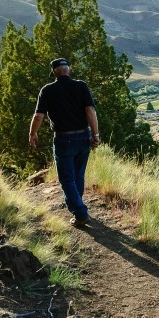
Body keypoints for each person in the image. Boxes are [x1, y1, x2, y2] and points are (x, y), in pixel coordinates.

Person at [29, 57, 101, 227]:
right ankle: (78, 205)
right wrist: (95, 134)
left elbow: (39, 116)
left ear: (54, 72)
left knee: (67, 179)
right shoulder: (81, 86)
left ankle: (80, 213)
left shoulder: (47, 90)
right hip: (83, 136)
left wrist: (32, 133)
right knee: (78, 175)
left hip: (63, 139)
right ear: (68, 69)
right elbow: (90, 110)